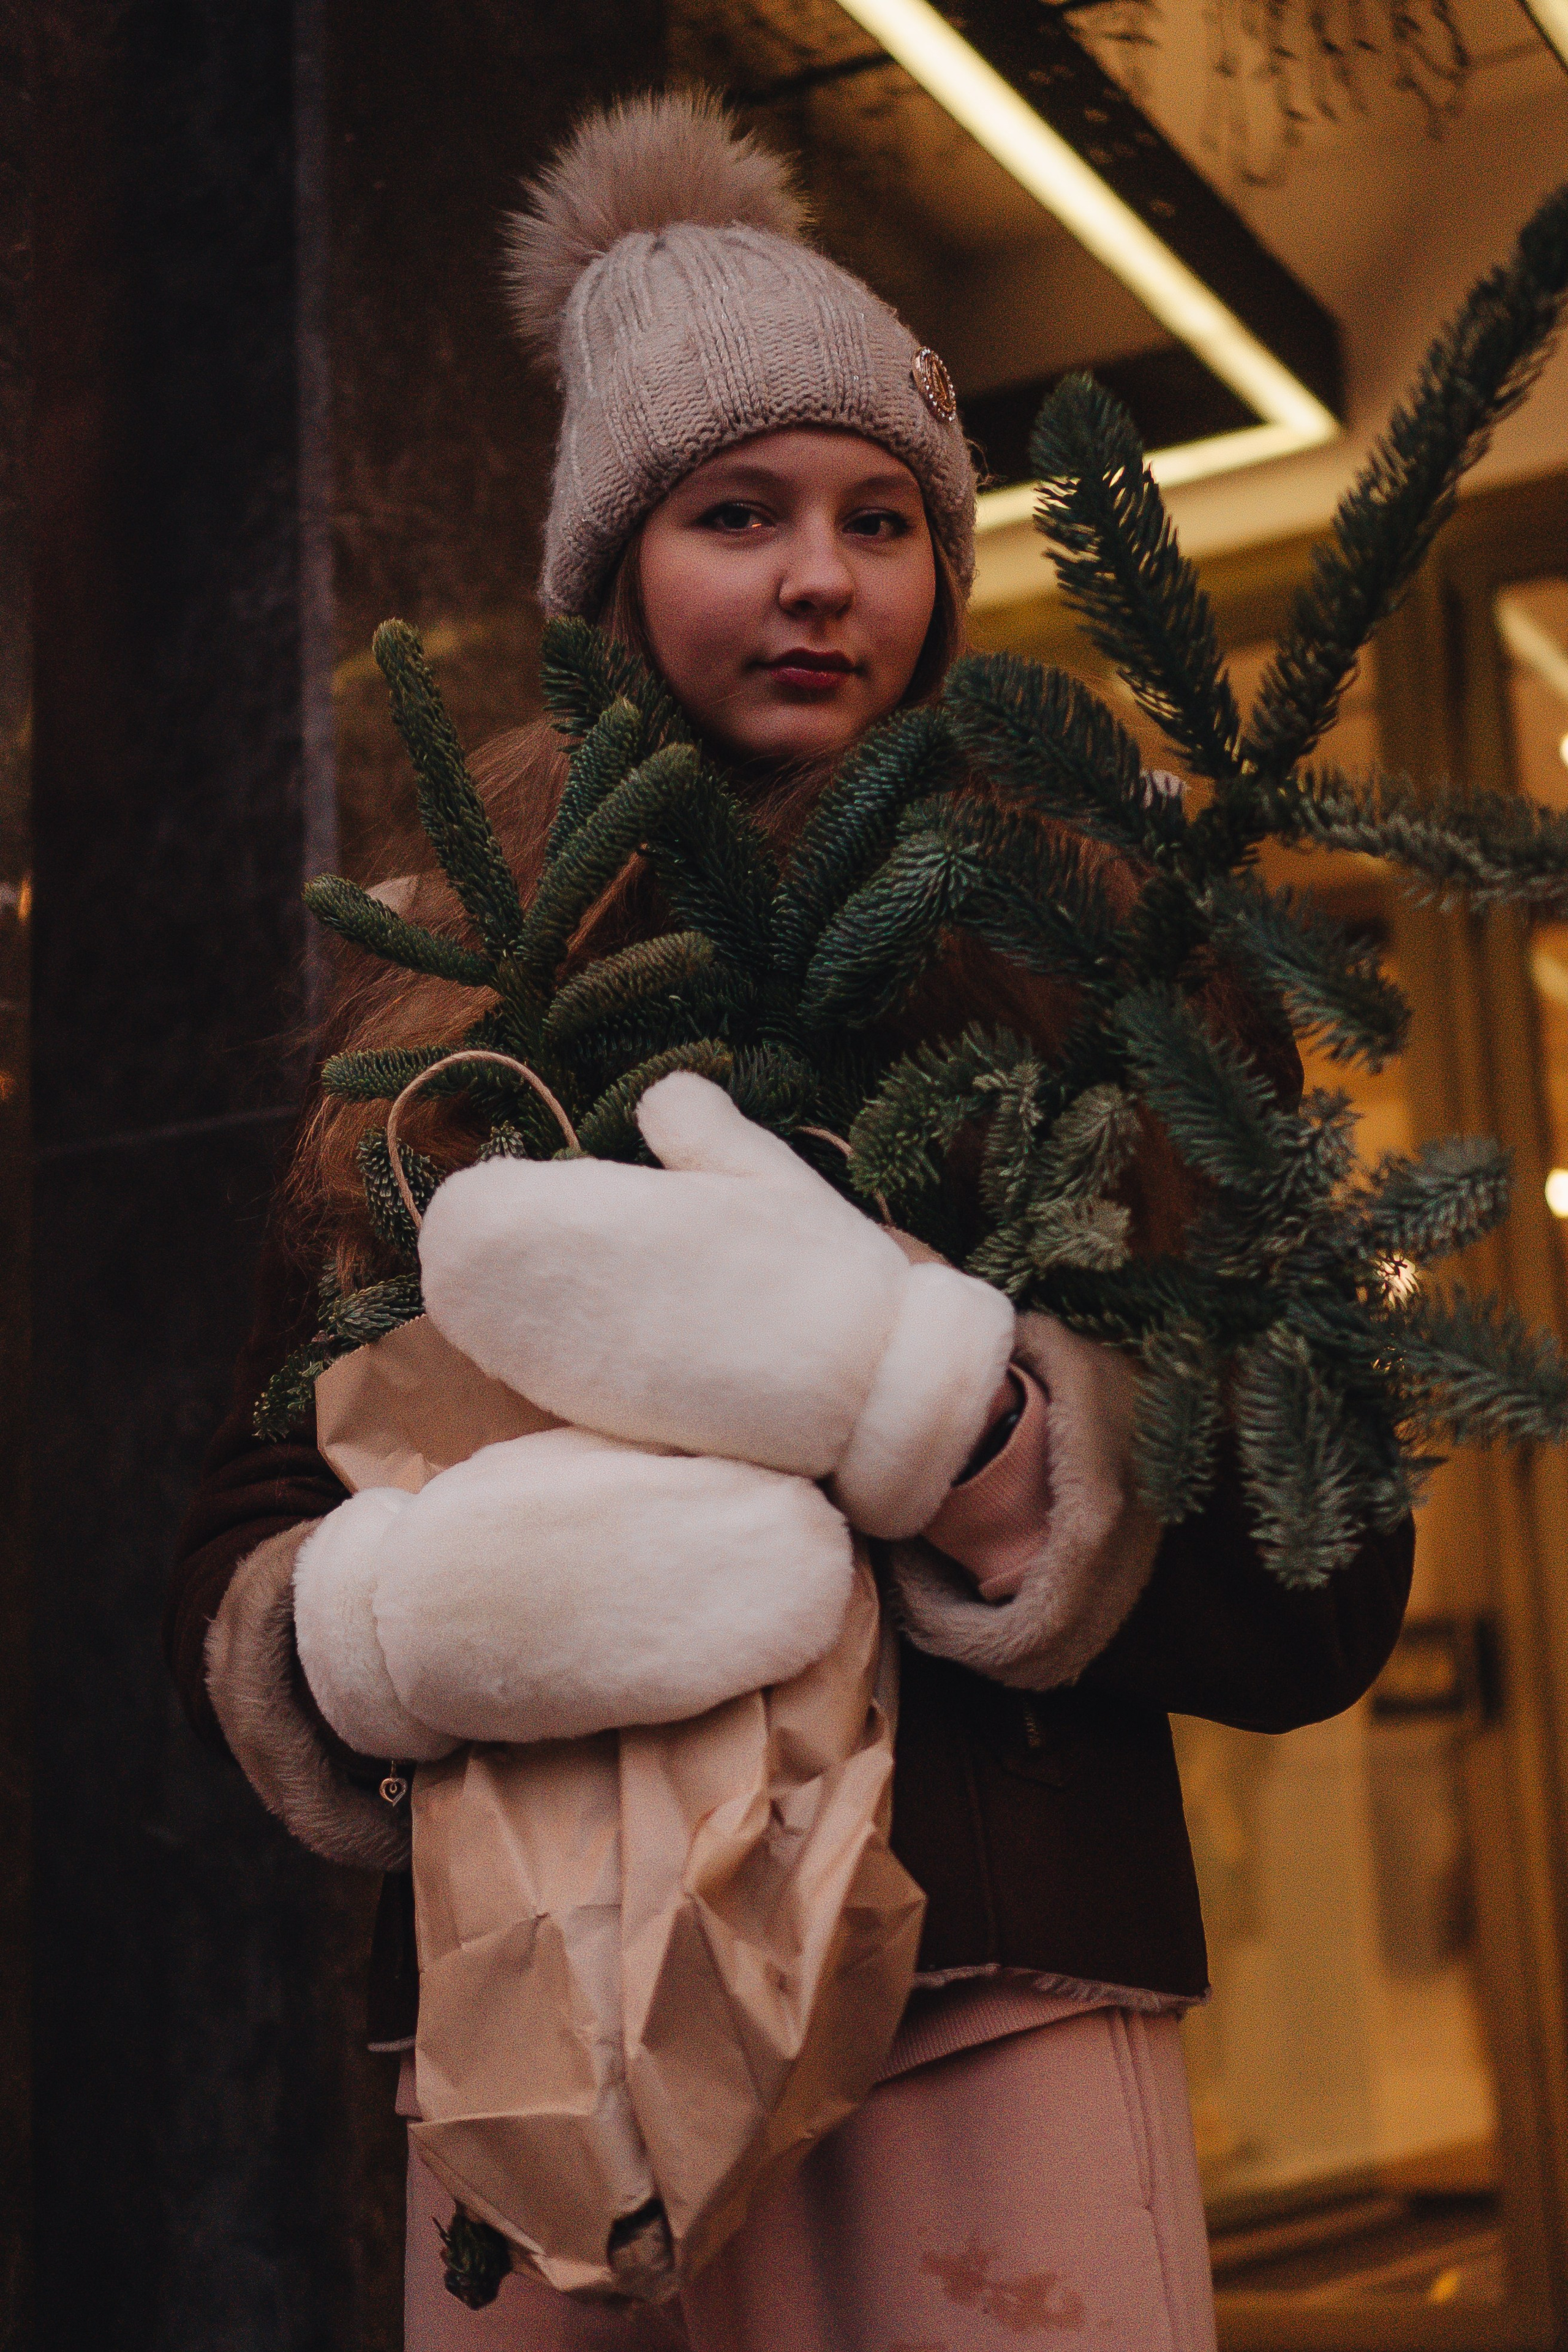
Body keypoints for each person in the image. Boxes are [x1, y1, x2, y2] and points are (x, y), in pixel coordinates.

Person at [166, 89, 1414, 2352]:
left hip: (987, 2006)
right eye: (738, 512)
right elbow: (248, 1523)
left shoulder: (1098, 953)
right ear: (612, 565)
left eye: (880, 517)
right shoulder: (452, 1002)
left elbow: (1328, 1568)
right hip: (547, 2036)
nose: (821, 577)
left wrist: (1000, 1451)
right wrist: (398, 1621)